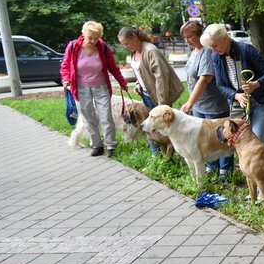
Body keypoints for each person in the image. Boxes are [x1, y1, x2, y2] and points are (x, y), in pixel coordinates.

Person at [60, 21, 128, 157]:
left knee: (106, 116)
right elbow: (65, 65)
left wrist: (122, 82)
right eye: (90, 37)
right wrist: (66, 78)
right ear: (83, 33)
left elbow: (112, 66)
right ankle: (97, 145)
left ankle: (111, 146)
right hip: (81, 88)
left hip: (101, 87)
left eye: (96, 38)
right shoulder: (73, 47)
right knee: (88, 117)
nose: (93, 41)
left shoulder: (103, 47)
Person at [201, 23, 264, 143]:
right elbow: (220, 85)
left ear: (225, 38)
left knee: (257, 142)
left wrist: (255, 84)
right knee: (240, 141)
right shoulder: (215, 57)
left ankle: (261, 161)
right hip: (238, 105)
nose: (213, 50)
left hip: (261, 101)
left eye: (215, 45)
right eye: (211, 47)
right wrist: (236, 95)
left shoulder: (246, 50)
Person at [179, 20, 232, 180]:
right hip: (200, 105)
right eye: (184, 37)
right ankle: (211, 166)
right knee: (204, 138)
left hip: (213, 103)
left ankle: (225, 170)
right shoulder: (194, 51)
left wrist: (190, 102)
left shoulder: (207, 51)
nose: (187, 40)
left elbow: (204, 78)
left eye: (190, 36)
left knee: (221, 137)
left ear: (199, 35)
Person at [118, 26, 184, 154]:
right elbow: (141, 71)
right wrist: (138, 83)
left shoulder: (150, 51)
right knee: (148, 126)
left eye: (127, 43)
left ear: (134, 37)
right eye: (123, 44)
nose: (126, 46)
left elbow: (161, 78)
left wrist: (162, 104)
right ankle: (157, 155)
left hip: (159, 97)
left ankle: (170, 156)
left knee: (164, 128)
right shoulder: (134, 51)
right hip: (146, 95)